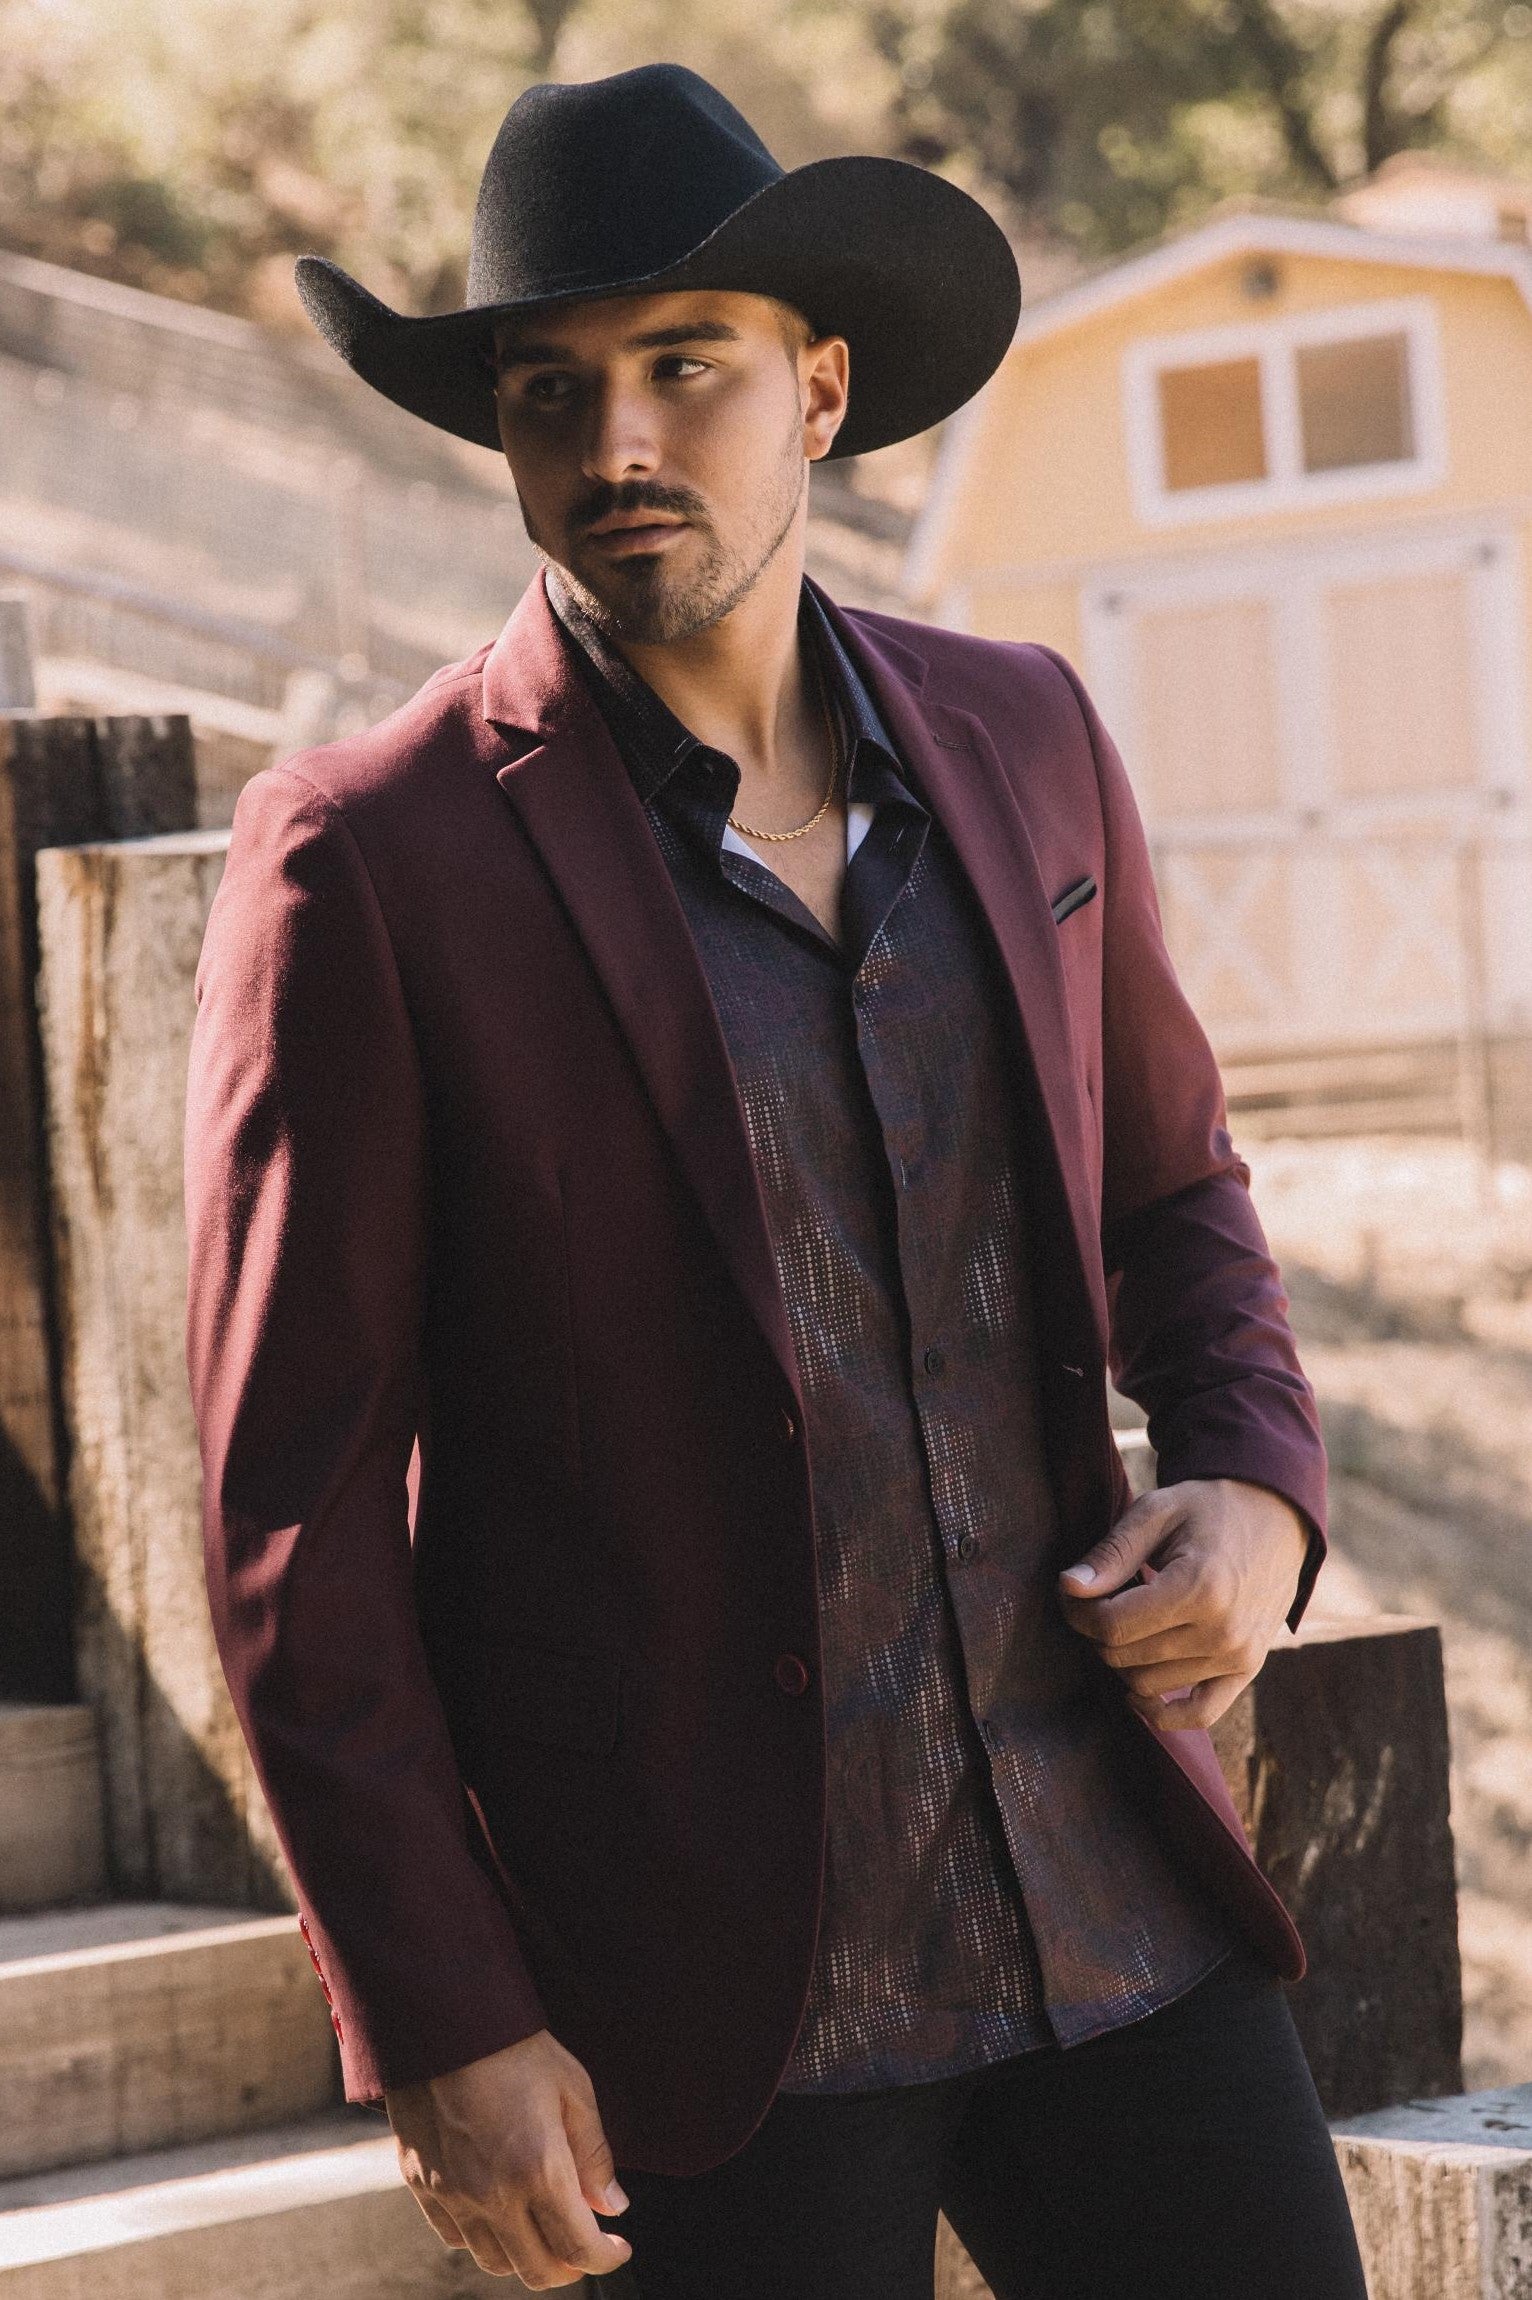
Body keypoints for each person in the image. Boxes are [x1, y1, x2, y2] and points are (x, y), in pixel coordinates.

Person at [184, 63, 1367, 2300]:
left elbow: (1178, 1190)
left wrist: (1255, 1486)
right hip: (703, 2007)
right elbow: (291, 1515)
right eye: (554, 390)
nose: (616, 442)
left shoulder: (1023, 734)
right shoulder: (373, 853)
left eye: (682, 368)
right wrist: (446, 2019)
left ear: (816, 390)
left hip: (1113, 1904)